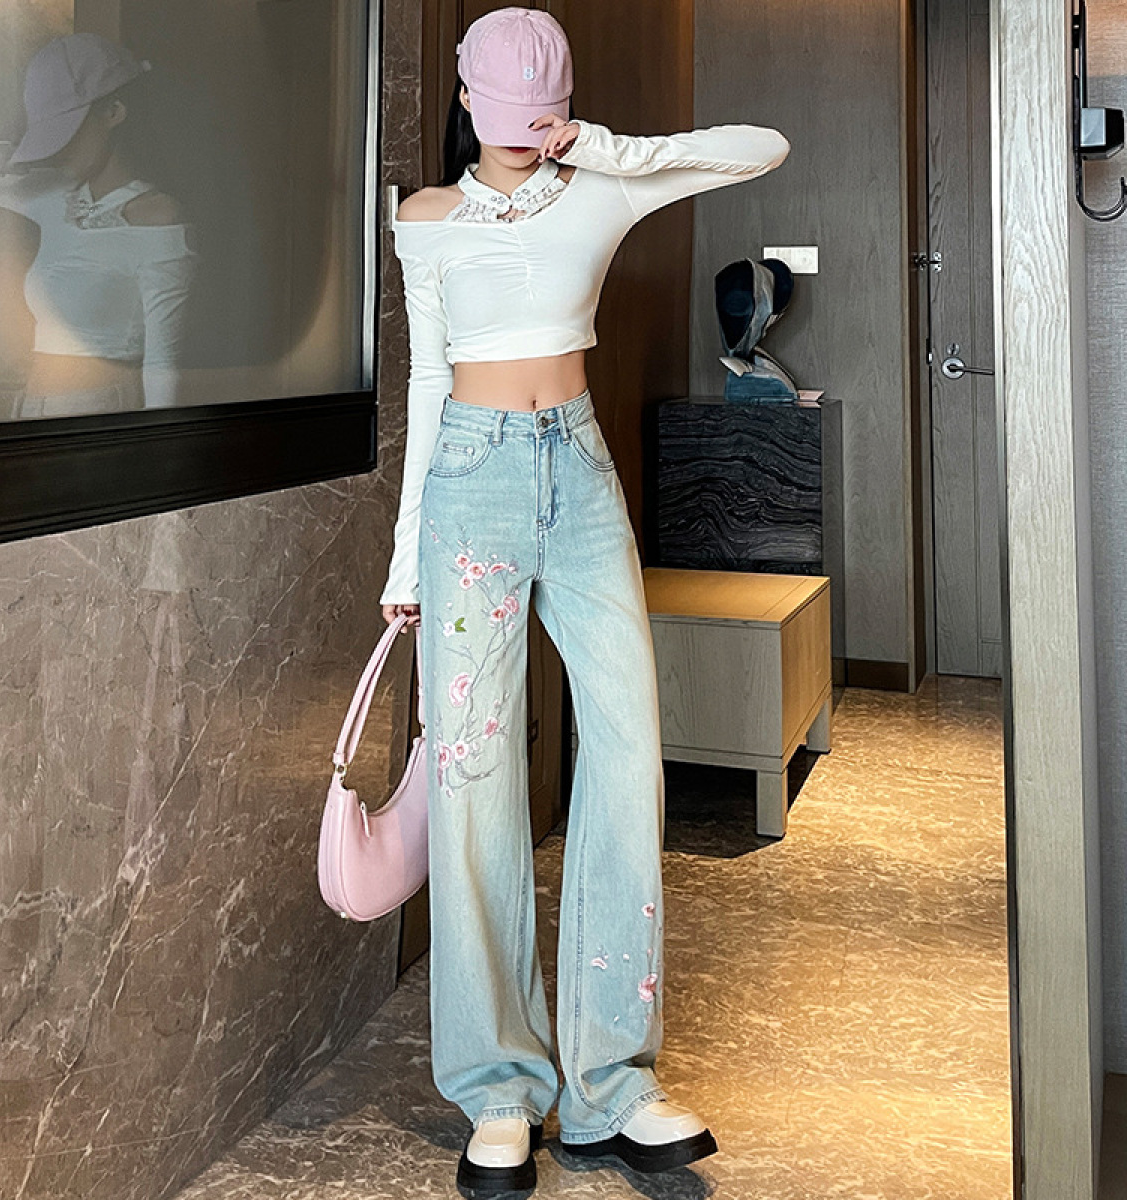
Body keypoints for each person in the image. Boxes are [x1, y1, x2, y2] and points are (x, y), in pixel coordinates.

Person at [379, 8, 790, 1193]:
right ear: (467, 101)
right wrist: (406, 562)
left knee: (626, 753)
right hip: (470, 480)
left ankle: (613, 1082)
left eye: (540, 114)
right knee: (473, 774)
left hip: (581, 472)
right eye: (506, 115)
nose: (521, 134)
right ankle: (498, 1088)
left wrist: (599, 146)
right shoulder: (425, 219)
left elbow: (757, 149)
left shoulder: (598, 189)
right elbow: (427, 380)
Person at [0, 32, 197, 420]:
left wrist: (156, 439)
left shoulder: (158, 217)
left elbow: (162, 364)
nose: (56, 148)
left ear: (113, 112)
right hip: (28, 413)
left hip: (101, 417)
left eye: (66, 130)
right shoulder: (55, 194)